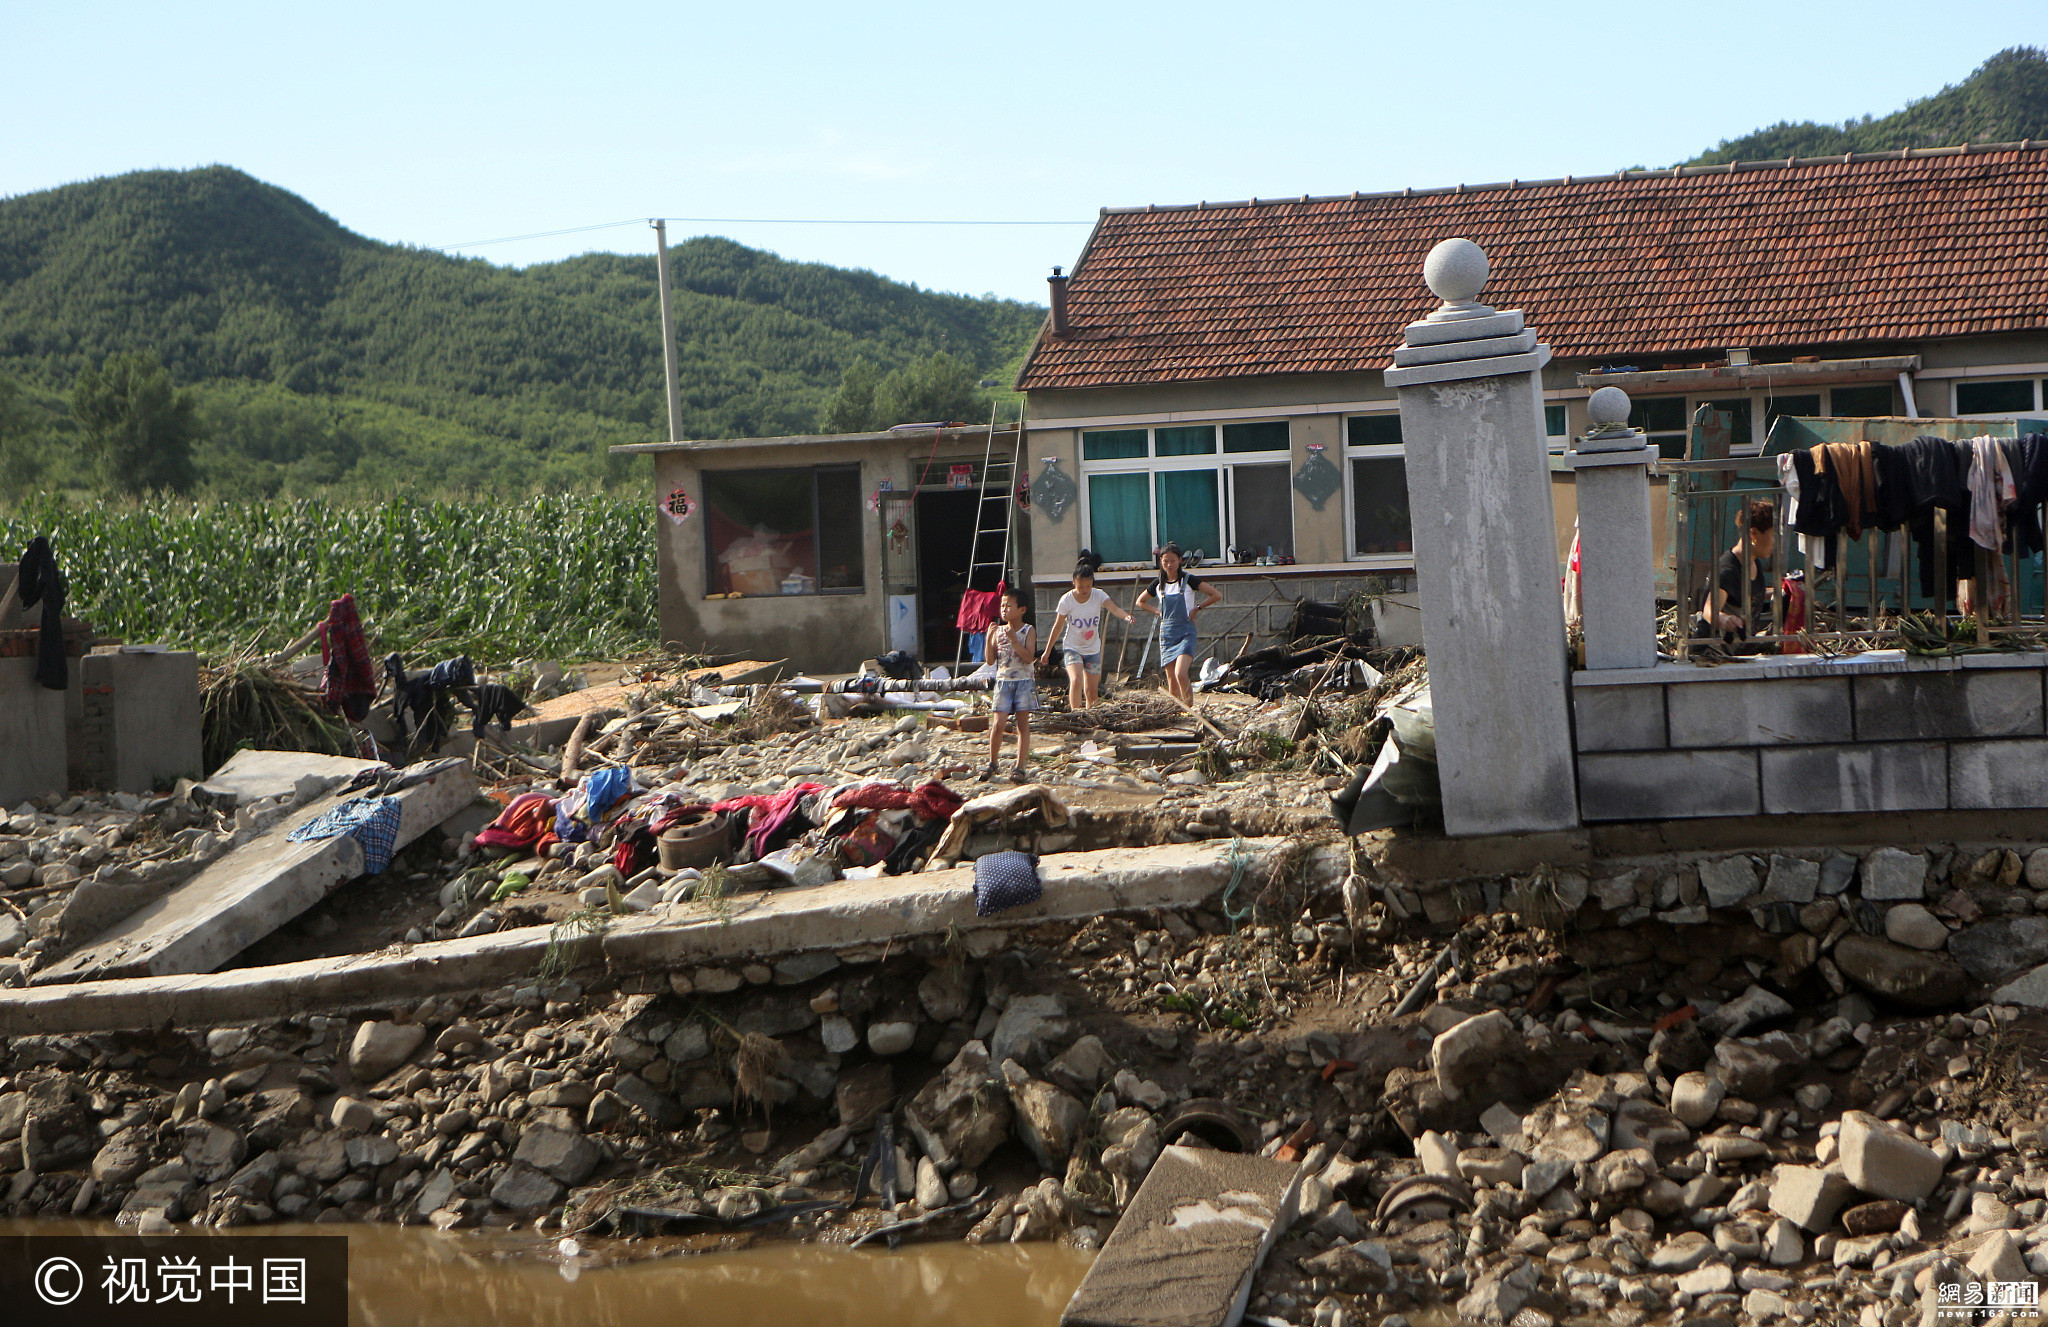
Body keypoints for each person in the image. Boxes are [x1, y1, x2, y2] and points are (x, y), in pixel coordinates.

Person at [1040, 554, 1133, 711]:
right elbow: (1058, 626)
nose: (1084, 590)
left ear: (1092, 583)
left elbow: (1114, 608)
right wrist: (1047, 651)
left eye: (1088, 587)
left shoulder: (1099, 595)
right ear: (1073, 583)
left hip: (1092, 649)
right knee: (1076, 679)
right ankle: (1076, 713)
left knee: (1091, 690)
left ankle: (1091, 717)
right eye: (1080, 587)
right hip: (1072, 647)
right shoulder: (1066, 600)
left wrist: (1126, 616)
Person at [1136, 543, 1223, 706]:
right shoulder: (1158, 583)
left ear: (1180, 561)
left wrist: (1197, 608)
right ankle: (1176, 711)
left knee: (1180, 673)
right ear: (1161, 562)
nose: (1169, 565)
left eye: (1172, 561)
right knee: (1171, 680)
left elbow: (1216, 594)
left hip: (1186, 632)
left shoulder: (1189, 580)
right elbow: (1140, 602)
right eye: (1165, 561)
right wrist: (1157, 612)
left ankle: (1189, 710)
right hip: (1166, 634)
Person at [1696, 500, 1779, 649]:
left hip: (1740, 650)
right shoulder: (1727, 569)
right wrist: (1724, 619)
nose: (1775, 541)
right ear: (1753, 534)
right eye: (1773, 534)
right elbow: (1709, 609)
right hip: (1715, 654)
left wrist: (1780, 591)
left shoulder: (1754, 562)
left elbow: (1747, 594)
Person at [984, 587, 1036, 783]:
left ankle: (1020, 766)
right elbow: (989, 660)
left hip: (1024, 682)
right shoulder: (998, 631)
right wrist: (989, 638)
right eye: (1002, 606)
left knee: (1022, 725)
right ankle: (993, 762)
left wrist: (1014, 640)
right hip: (1003, 681)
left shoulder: (1028, 630)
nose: (1004, 609)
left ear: (1021, 609)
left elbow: (1029, 657)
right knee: (998, 725)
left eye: (1008, 606)